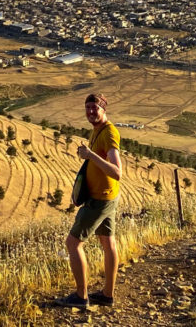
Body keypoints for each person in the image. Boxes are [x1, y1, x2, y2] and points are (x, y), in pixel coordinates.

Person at [56, 93, 122, 309]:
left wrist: (90, 156)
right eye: (88, 108)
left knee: (73, 243)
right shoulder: (99, 130)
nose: (91, 112)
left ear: (104, 109)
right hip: (108, 196)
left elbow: (117, 172)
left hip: (99, 200)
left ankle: (81, 296)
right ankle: (107, 295)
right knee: (108, 242)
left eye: (95, 108)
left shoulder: (109, 134)